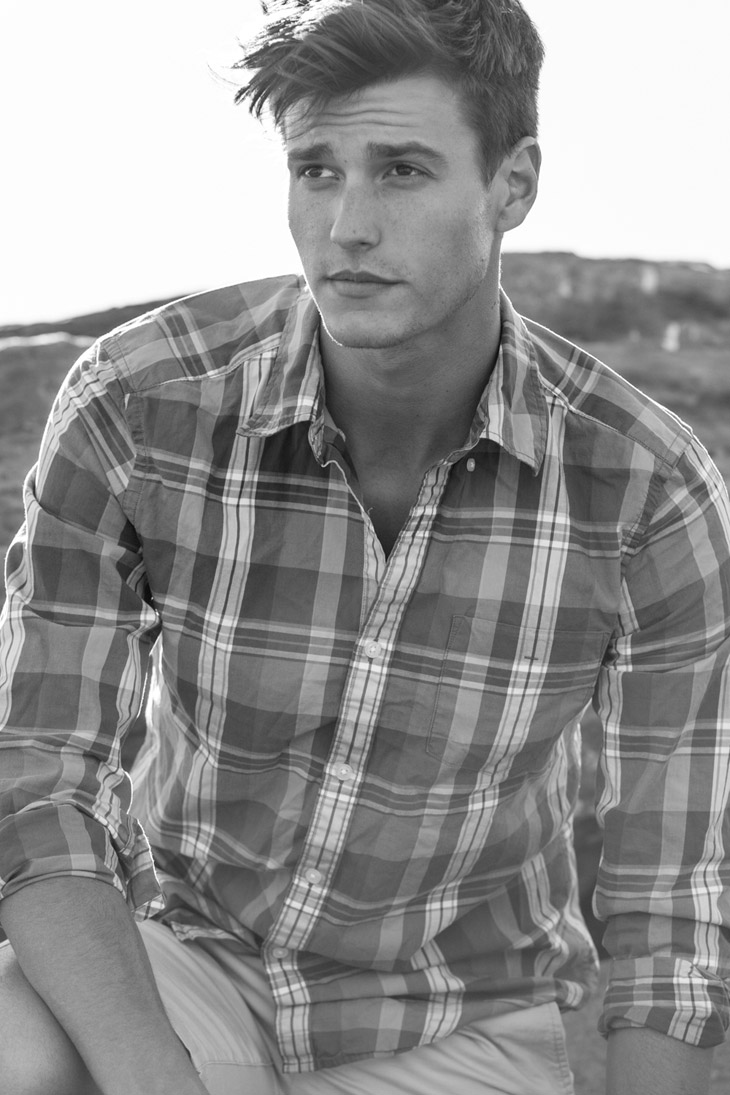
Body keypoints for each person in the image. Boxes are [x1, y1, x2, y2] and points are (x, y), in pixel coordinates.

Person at [0, 1, 728, 1093]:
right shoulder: (140, 402)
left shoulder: (649, 489)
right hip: (179, 957)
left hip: (456, 1015)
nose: (346, 226)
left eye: (401, 171)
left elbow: (673, 904)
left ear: (513, 185)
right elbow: (38, 781)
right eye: (316, 170)